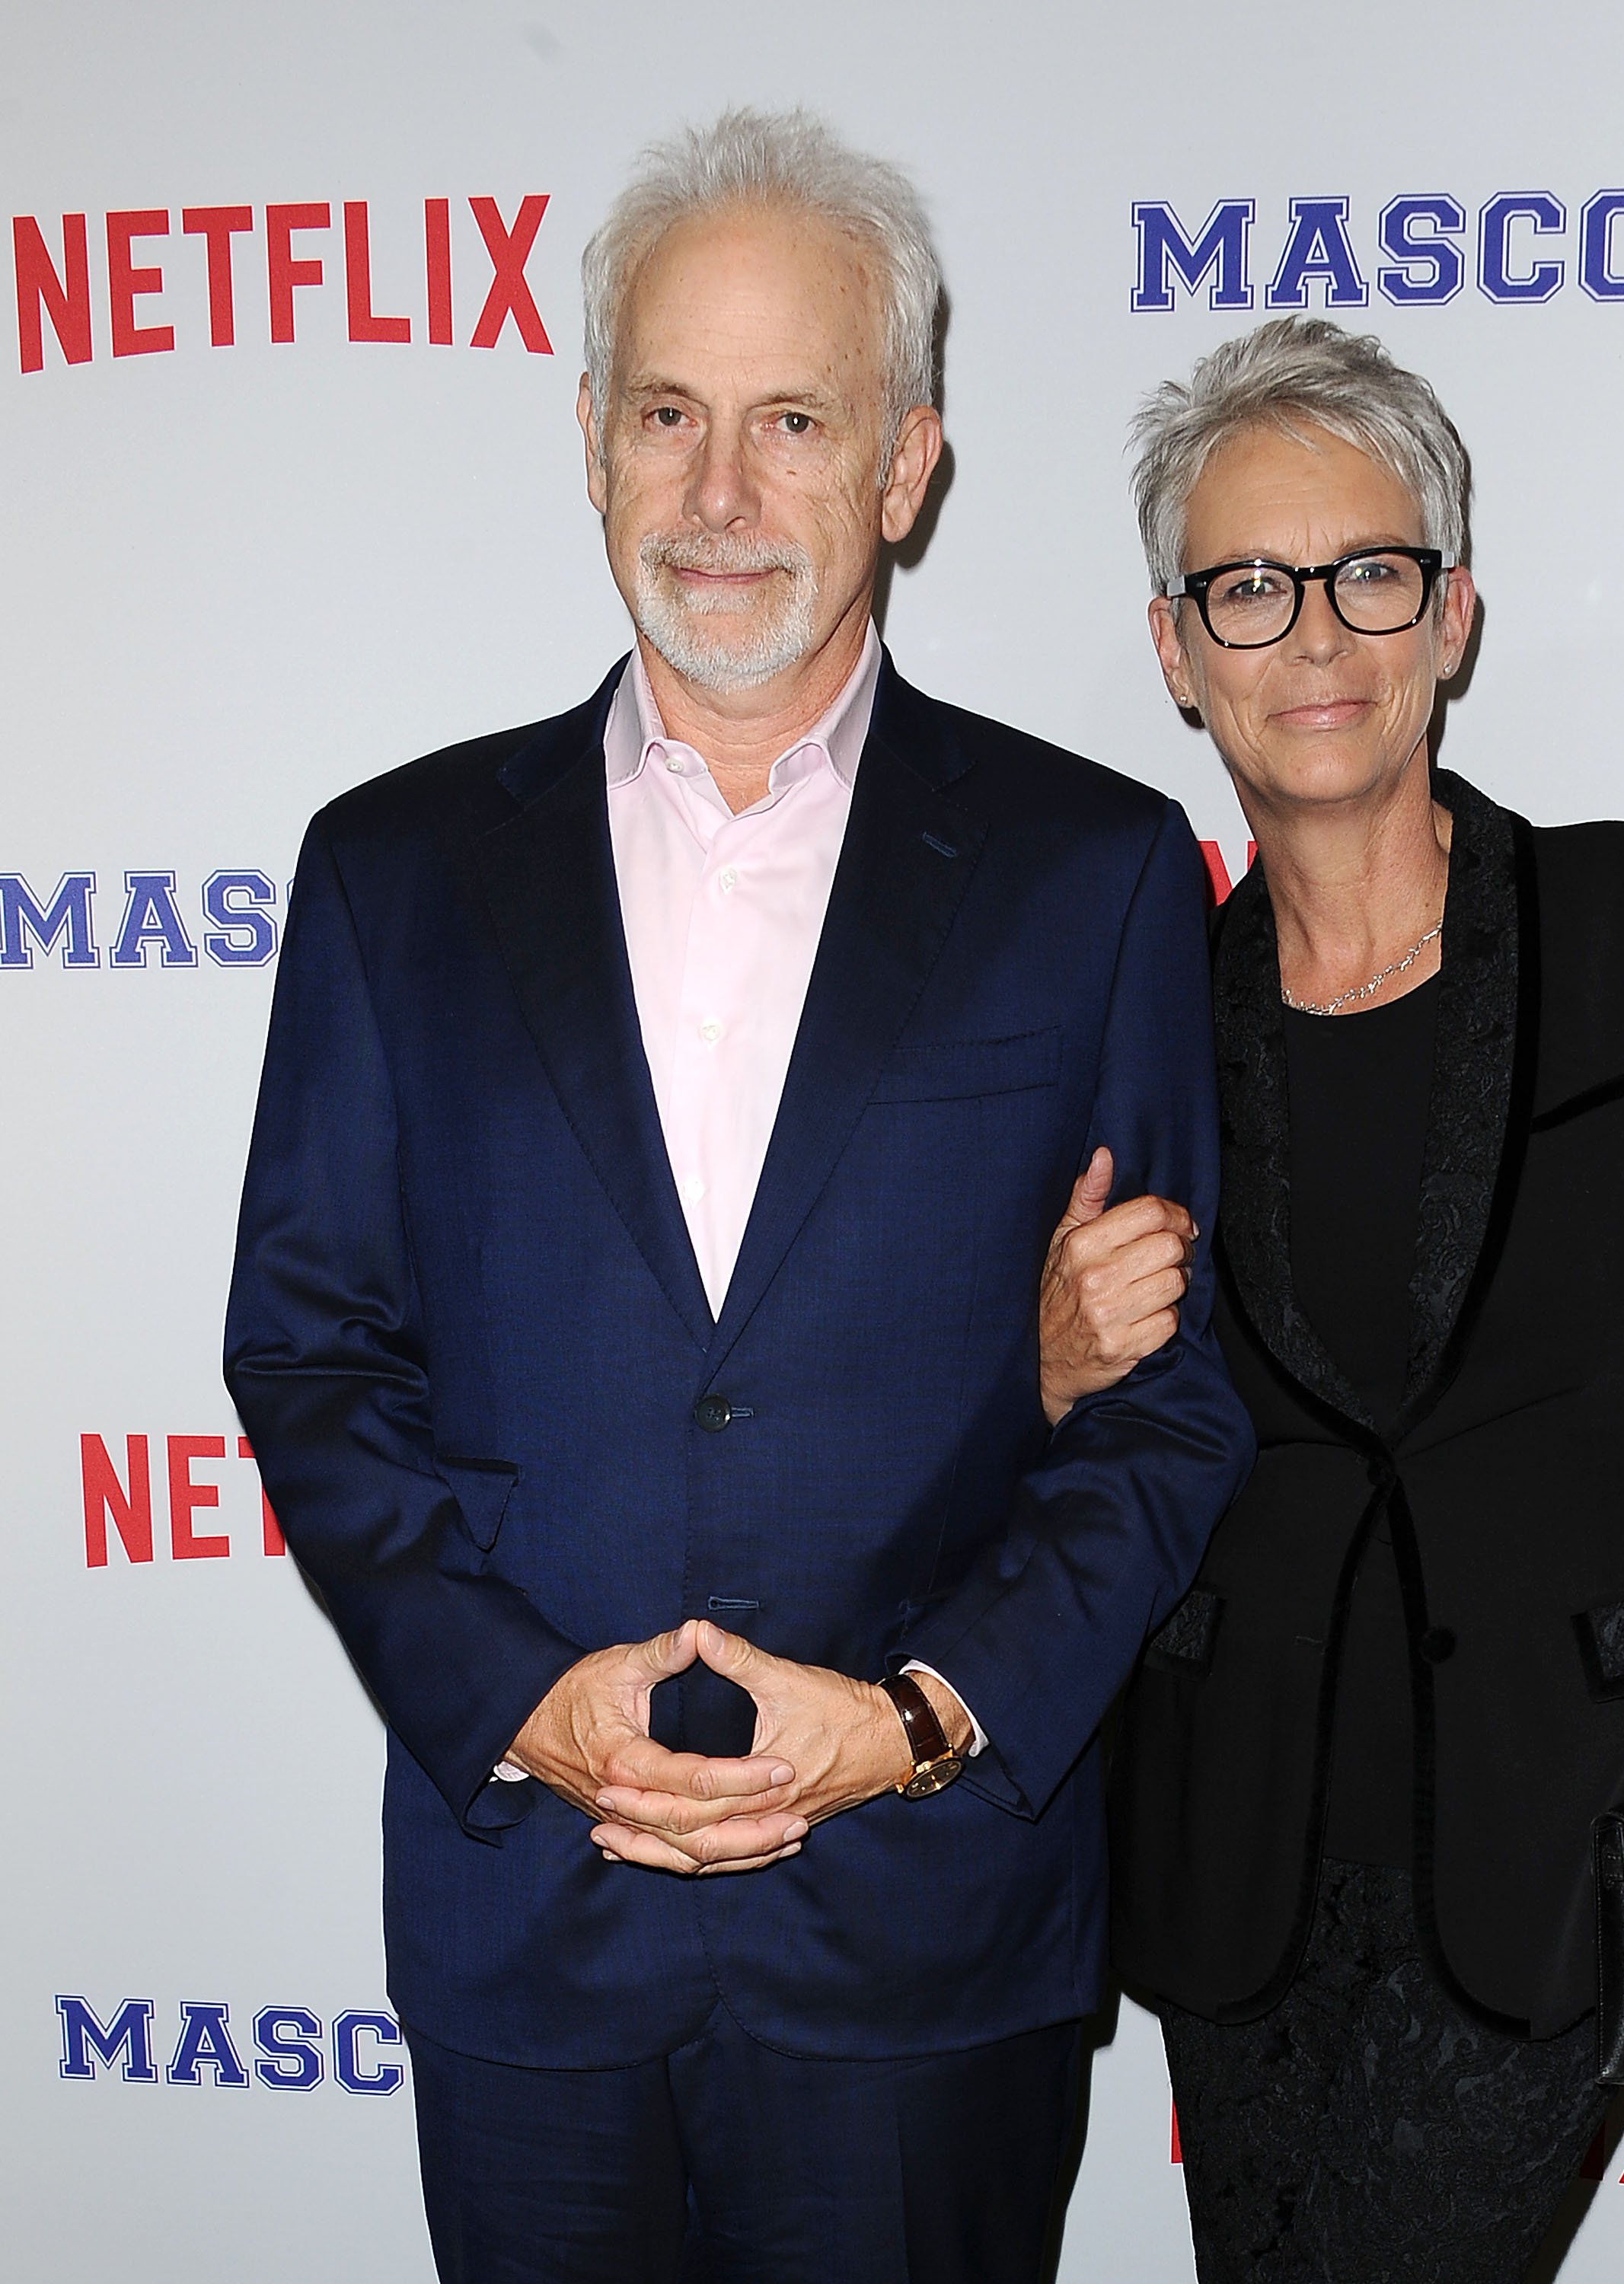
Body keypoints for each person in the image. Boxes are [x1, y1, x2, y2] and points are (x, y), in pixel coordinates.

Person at [223, 109, 1252, 2284]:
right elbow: (310, 1353)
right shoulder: (391, 878)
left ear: (907, 466)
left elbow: (1170, 1410)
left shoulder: (1095, 879)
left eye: (793, 421)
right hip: (533, 1931)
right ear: (590, 441)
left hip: (923, 1933)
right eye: (671, 415)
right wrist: (521, 1699)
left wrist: (914, 1721)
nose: (719, 494)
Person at [1039, 317, 1624, 2282]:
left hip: (1568, 1840)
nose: (1318, 635)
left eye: (1373, 575)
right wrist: (1046, 1369)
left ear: (1456, 615)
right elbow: (1059, 1436)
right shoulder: (1135, 1006)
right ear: (1180, 653)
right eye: (1250, 588)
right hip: (1243, 1865)